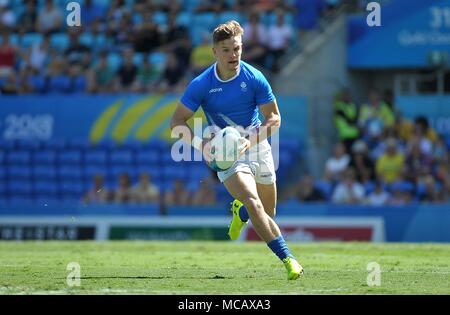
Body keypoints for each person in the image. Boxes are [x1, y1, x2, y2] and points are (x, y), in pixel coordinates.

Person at [170, 20, 303, 280]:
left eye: (238, 49)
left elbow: (274, 118)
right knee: (254, 202)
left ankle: (239, 212)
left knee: (267, 212)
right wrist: (202, 146)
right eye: (227, 50)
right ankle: (289, 259)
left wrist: (250, 140)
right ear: (215, 52)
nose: (234, 55)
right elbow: (176, 122)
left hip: (255, 143)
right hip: (225, 151)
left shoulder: (254, 77)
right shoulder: (201, 84)